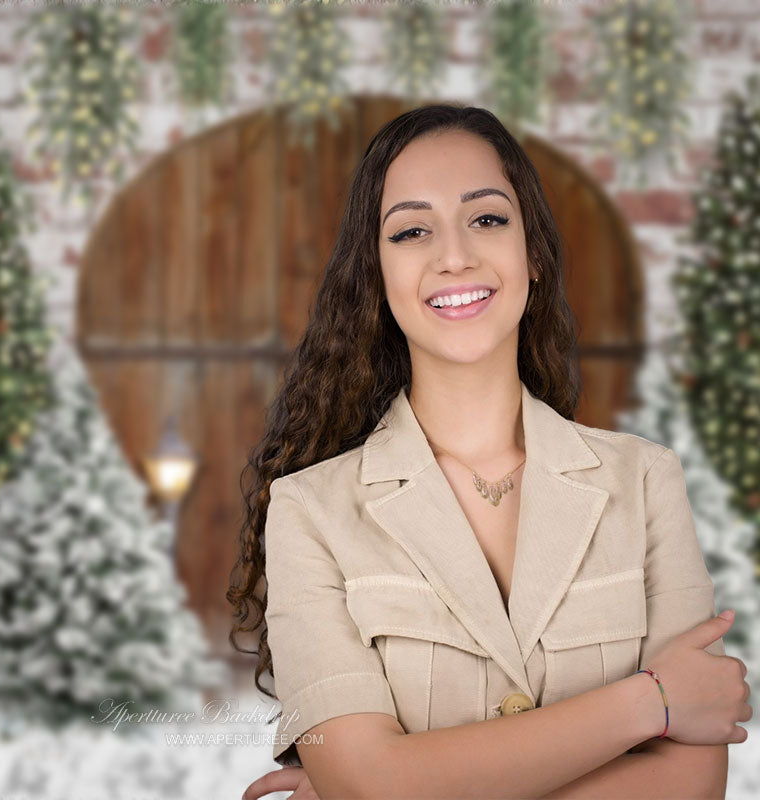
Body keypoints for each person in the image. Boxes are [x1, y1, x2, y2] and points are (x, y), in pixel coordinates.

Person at [229, 104, 752, 800]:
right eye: (412, 231)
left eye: (486, 219)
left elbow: (691, 786)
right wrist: (650, 702)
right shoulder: (309, 511)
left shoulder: (646, 481)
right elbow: (368, 782)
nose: (454, 256)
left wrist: (399, 784)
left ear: (532, 253)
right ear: (377, 276)